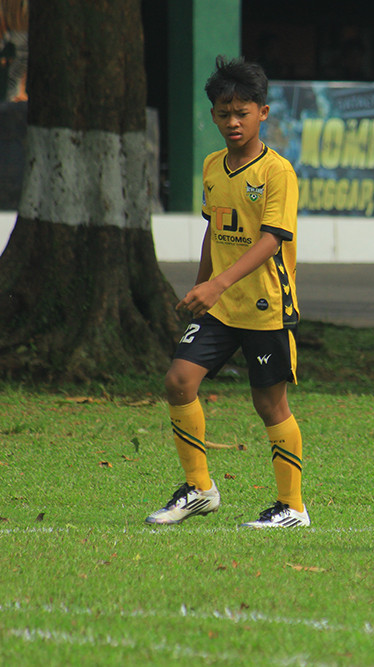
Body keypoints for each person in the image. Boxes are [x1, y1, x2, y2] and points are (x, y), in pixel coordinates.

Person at [145, 56, 308, 528]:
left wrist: (218, 283)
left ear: (263, 112)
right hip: (220, 305)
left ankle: (292, 508)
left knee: (269, 404)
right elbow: (213, 231)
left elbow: (270, 240)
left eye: (242, 112)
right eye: (223, 112)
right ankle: (199, 489)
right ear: (213, 114)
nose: (233, 122)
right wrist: (202, 284)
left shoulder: (277, 172)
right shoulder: (213, 165)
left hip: (266, 306)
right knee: (178, 381)